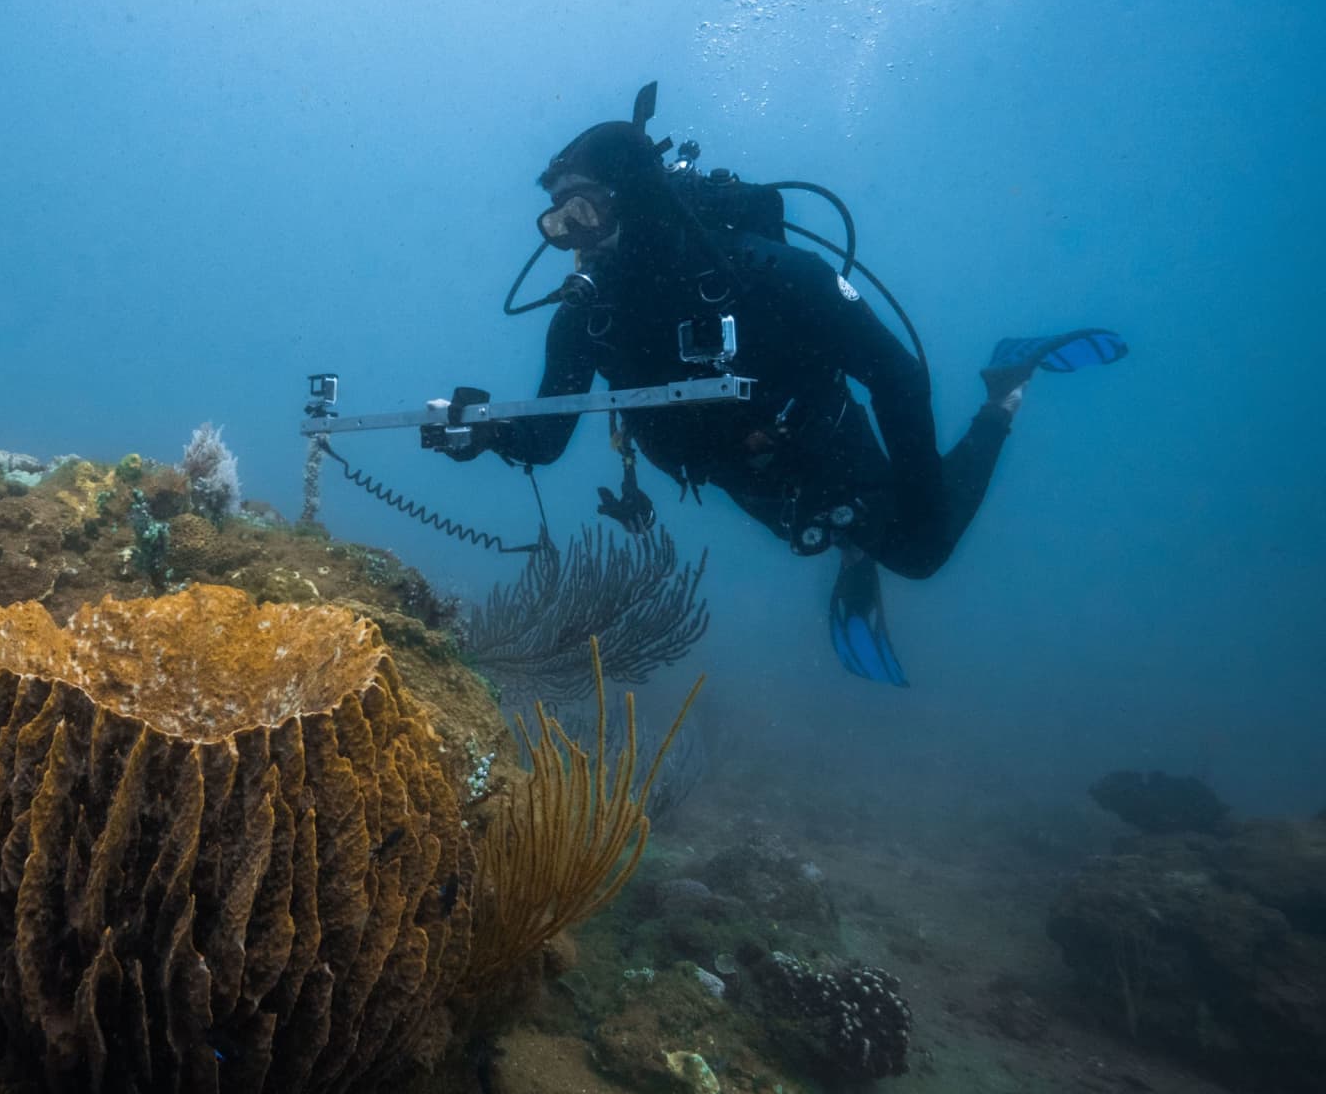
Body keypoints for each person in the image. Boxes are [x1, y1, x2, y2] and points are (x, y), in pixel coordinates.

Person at [438, 83, 1126, 685]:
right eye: (557, 223)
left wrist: (923, 505)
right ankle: (858, 540)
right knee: (831, 532)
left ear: (637, 199)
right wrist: (488, 428)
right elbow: (548, 438)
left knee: (919, 552)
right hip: (737, 477)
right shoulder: (588, 319)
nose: (571, 240)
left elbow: (897, 375)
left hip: (820, 444)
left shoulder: (761, 271)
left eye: (583, 214)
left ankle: (1004, 392)